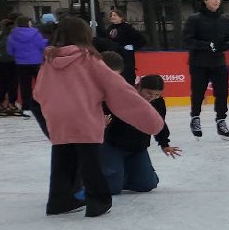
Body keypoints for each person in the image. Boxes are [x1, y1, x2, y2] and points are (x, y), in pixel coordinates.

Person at [32, 17, 164, 218]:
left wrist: (55, 108)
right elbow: (119, 91)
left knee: (62, 161)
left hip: (58, 120)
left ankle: (59, 202)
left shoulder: (48, 61)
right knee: (90, 162)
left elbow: (38, 93)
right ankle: (98, 202)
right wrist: (152, 122)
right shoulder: (89, 60)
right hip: (84, 118)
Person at [100, 74, 181, 195]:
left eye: (156, 95)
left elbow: (160, 124)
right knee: (112, 189)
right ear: (139, 88)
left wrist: (164, 144)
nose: (152, 97)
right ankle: (109, 175)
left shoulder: (158, 103)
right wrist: (102, 122)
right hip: (113, 146)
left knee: (146, 185)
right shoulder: (123, 98)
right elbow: (101, 113)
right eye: (148, 93)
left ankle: (122, 173)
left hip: (138, 148)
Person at [182, 0, 229, 140]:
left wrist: (225, 46)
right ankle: (195, 118)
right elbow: (188, 40)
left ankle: (221, 121)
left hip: (218, 63)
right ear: (205, 0)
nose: (216, 1)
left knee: (222, 93)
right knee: (198, 92)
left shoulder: (224, 19)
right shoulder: (195, 19)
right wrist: (208, 45)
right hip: (198, 63)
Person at [6, 14, 49, 124]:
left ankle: (26, 108)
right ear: (27, 23)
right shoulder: (36, 33)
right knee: (41, 84)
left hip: (21, 63)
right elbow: (41, 47)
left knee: (25, 86)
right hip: (36, 62)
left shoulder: (12, 35)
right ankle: (42, 105)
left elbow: (10, 51)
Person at [100, 7, 146, 84]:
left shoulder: (126, 27)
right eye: (111, 15)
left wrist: (132, 46)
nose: (112, 17)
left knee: (126, 78)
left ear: (121, 17)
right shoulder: (110, 28)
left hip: (125, 58)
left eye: (115, 15)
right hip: (113, 56)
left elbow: (142, 40)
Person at [0, 16, 19, 116]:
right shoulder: (11, 35)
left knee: (2, 83)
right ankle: (10, 103)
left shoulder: (2, 36)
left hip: (1, 62)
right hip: (11, 62)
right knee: (12, 83)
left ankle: (0, 102)